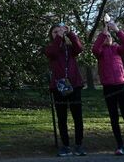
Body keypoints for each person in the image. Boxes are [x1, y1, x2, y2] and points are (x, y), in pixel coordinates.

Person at [92, 19, 124, 156]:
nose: (107, 38)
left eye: (109, 36)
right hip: (108, 87)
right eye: (105, 37)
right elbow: (94, 48)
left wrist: (117, 30)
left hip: (121, 85)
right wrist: (103, 33)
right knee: (114, 117)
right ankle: (120, 145)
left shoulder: (118, 50)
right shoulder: (99, 53)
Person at [44, 23, 85, 157]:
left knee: (77, 116)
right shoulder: (50, 48)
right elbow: (53, 53)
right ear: (51, 35)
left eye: (59, 31)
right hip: (59, 86)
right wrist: (59, 37)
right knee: (62, 117)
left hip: (74, 84)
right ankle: (65, 145)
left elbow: (79, 48)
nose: (58, 33)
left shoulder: (69, 48)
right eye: (54, 32)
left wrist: (70, 33)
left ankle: (79, 145)